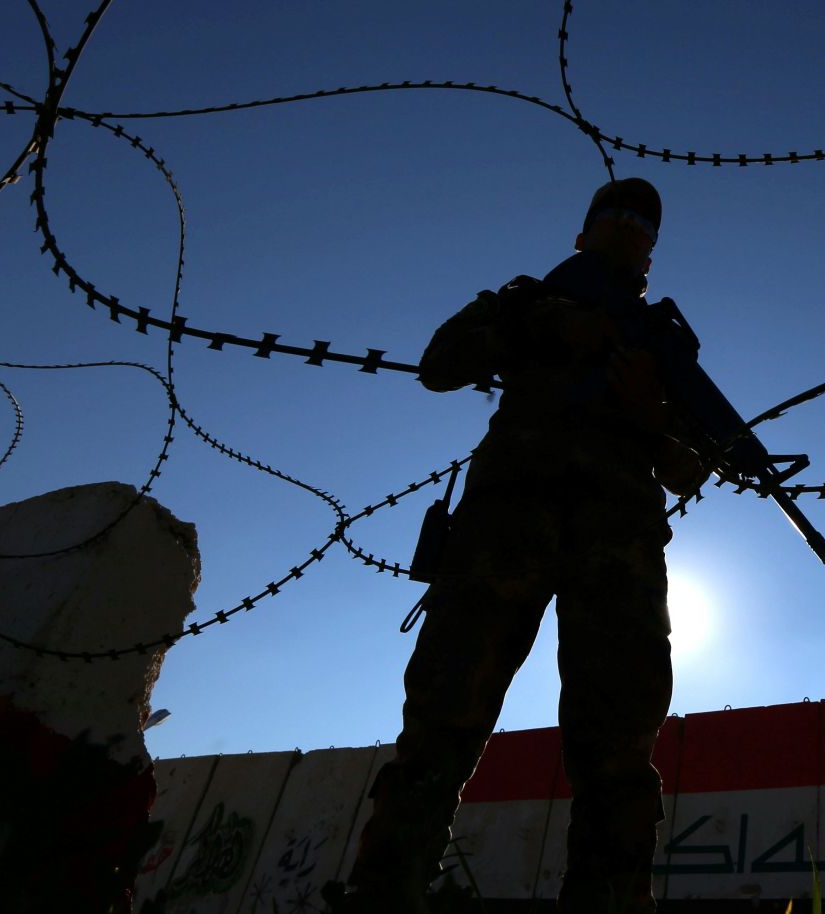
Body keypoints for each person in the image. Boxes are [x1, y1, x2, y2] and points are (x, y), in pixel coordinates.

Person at [327, 177, 706, 914]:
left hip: (618, 552)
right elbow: (442, 364)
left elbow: (691, 464)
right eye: (616, 217)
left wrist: (650, 412)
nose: (630, 230)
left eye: (643, 226)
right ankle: (385, 893)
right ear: (583, 234)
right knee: (442, 728)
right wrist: (548, 329)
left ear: (652, 255)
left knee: (619, 751)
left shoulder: (661, 343)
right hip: (505, 532)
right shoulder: (526, 298)